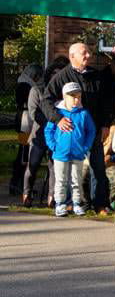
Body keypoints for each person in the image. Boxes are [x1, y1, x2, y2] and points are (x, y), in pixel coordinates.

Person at [41, 43, 112, 214]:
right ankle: (66, 203)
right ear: (72, 56)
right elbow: (46, 100)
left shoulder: (96, 76)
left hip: (91, 130)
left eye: (89, 52)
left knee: (98, 168)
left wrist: (105, 124)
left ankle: (100, 204)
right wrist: (57, 119)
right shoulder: (62, 76)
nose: (88, 55)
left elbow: (106, 101)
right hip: (69, 133)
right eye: (84, 53)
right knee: (67, 171)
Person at [43, 83, 96, 217]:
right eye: (73, 97)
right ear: (64, 97)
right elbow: (48, 131)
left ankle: (77, 203)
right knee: (61, 180)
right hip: (60, 153)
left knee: (76, 179)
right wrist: (54, 146)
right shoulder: (58, 113)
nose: (76, 100)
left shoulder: (84, 113)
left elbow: (91, 131)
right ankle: (60, 203)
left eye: (79, 97)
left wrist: (85, 147)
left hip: (78, 153)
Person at [23, 62, 58, 208]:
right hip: (39, 134)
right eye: (54, 73)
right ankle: (27, 193)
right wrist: (51, 121)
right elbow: (33, 113)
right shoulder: (36, 90)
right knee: (33, 165)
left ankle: (52, 196)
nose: (56, 76)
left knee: (54, 166)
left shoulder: (60, 91)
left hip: (56, 134)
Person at [12, 64, 43, 196]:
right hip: (25, 121)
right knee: (24, 152)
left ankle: (20, 184)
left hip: (26, 119)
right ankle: (17, 184)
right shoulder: (25, 85)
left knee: (25, 151)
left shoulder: (25, 84)